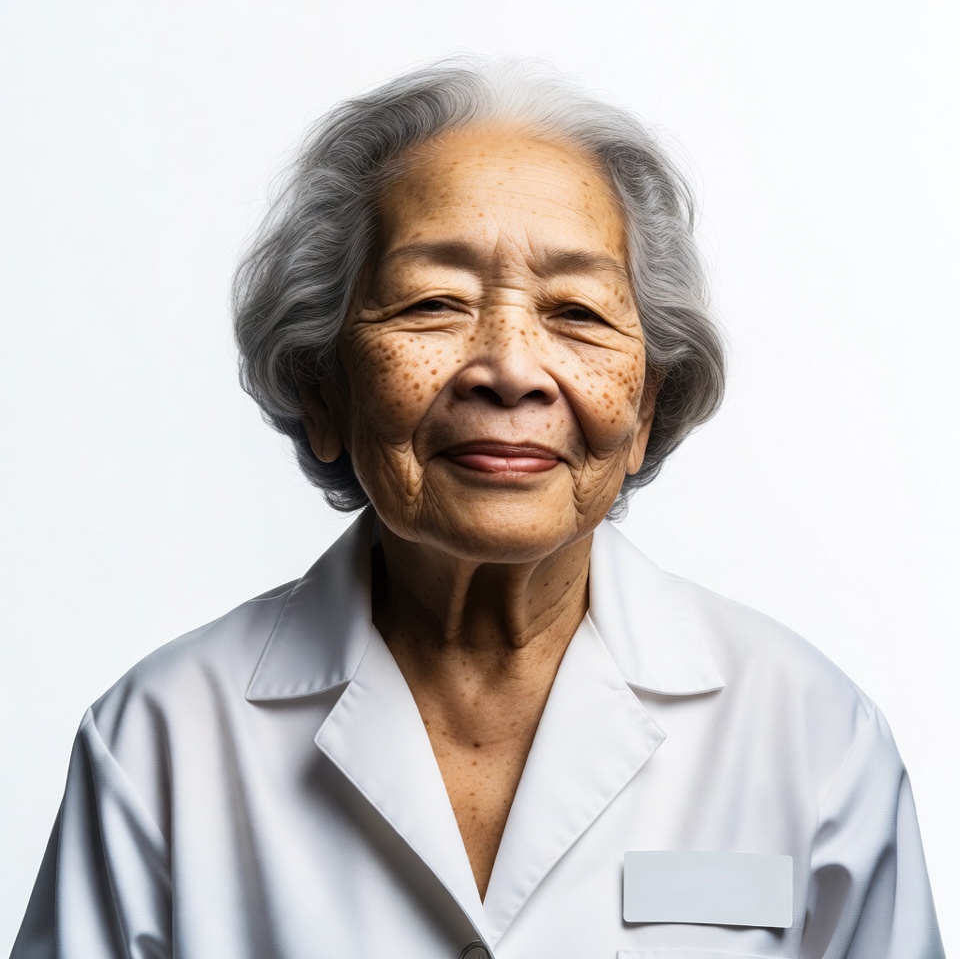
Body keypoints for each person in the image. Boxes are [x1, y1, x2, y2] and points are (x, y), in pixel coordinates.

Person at [12, 59, 944, 958]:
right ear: (323, 388)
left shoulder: (811, 733)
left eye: (577, 311)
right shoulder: (161, 739)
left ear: (646, 403)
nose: (508, 368)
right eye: (432, 302)